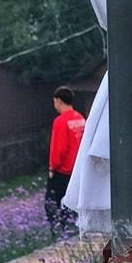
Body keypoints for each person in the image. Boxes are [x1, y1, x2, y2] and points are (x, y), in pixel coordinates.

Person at [46, 87, 85, 235]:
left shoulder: (61, 121)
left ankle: (60, 232)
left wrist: (52, 167)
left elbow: (59, 148)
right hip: (77, 170)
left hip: (62, 171)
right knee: (74, 203)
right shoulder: (80, 118)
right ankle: (74, 228)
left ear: (58, 101)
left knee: (53, 203)